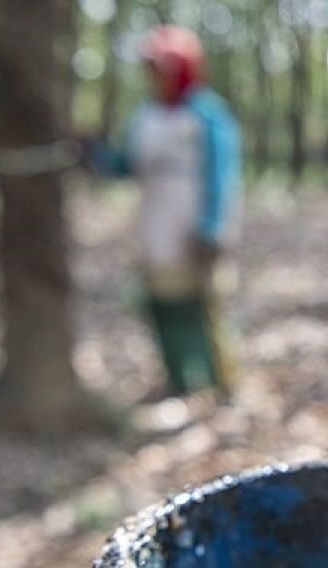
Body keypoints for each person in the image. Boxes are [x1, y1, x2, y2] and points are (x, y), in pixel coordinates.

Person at [89, 26, 242, 398]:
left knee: (204, 308)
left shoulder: (207, 115)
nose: (156, 79)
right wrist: (94, 154)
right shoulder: (145, 116)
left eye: (163, 70)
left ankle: (223, 385)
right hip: (154, 227)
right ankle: (179, 380)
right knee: (161, 306)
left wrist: (212, 227)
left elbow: (222, 175)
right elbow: (128, 165)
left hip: (194, 231)